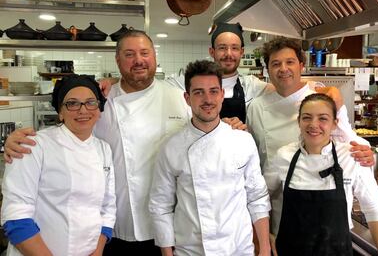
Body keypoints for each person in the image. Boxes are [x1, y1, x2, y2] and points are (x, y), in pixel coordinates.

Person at [4, 30, 190, 255]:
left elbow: (201, 132)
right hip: (113, 229)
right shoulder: (102, 99)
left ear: (155, 56)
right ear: (118, 60)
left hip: (168, 223)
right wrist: (15, 141)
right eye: (129, 54)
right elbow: (69, 133)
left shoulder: (180, 98)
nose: (139, 60)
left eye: (144, 52)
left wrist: (230, 125)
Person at [149, 60, 271, 256]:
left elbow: (257, 198)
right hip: (190, 250)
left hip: (238, 248)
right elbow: (160, 205)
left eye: (214, 91)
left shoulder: (243, 141)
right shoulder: (171, 147)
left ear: (222, 95)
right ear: (187, 98)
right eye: (198, 92)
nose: (207, 99)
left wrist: (264, 248)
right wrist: (166, 252)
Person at [1, 74, 116, 256]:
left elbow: (108, 208)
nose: (83, 110)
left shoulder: (104, 150)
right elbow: (16, 215)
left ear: (99, 108)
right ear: (60, 112)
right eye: (72, 103)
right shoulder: (33, 145)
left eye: (90, 102)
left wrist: (97, 251)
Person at [265, 93, 378, 256]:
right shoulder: (284, 156)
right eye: (307, 118)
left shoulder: (352, 156)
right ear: (299, 122)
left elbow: (373, 208)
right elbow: (260, 198)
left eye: (323, 118)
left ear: (334, 124)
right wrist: (264, 236)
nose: (313, 125)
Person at [247, 37, 373, 168]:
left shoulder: (323, 99)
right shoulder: (256, 107)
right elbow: (250, 152)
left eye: (290, 62)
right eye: (276, 64)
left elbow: (347, 138)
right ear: (267, 70)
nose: (283, 69)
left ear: (301, 66)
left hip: (317, 183)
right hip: (273, 185)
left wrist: (365, 151)